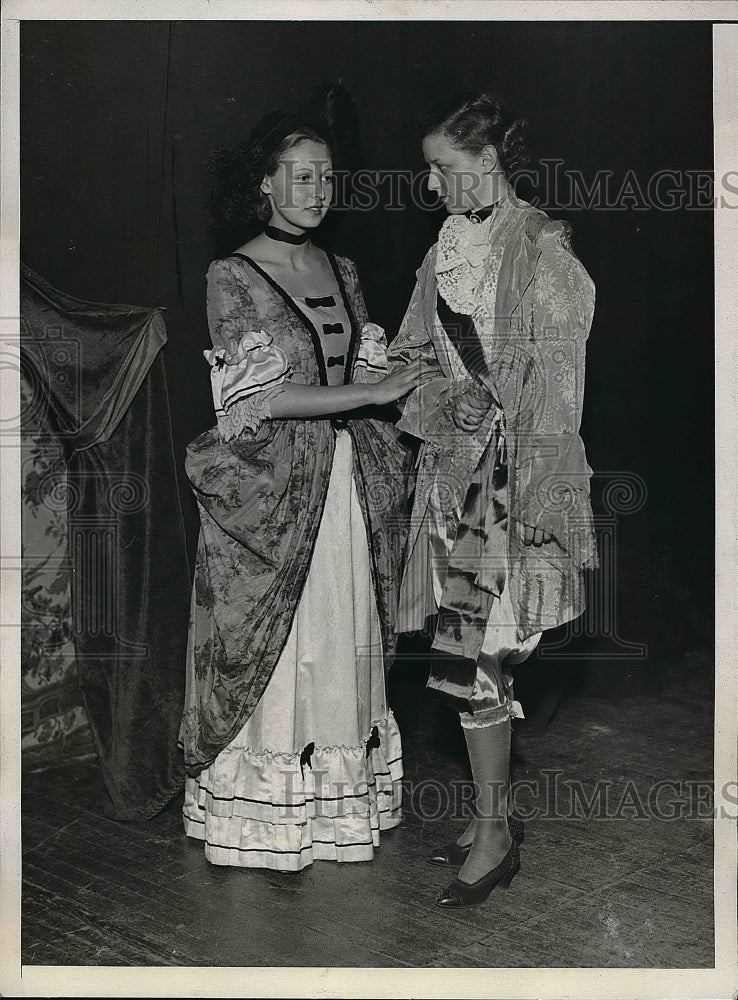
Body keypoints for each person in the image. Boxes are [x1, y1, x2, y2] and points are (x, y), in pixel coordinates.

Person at [179, 85, 430, 871]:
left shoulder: (342, 267)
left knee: (342, 632)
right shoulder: (232, 274)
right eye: (300, 176)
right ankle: (263, 823)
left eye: (326, 177)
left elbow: (360, 364)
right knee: (284, 645)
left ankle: (336, 813)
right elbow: (258, 397)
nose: (317, 191)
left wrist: (402, 371)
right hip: (275, 488)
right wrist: (369, 391)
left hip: (347, 480)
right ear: (264, 181)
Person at [387, 92, 597, 907]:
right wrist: (447, 402)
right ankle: (492, 816)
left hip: (512, 493)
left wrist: (529, 495)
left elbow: (561, 396)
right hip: (451, 484)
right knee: (473, 658)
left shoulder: (544, 252)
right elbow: (410, 357)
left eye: (441, 167)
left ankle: (499, 835)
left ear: (485, 162)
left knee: (480, 656)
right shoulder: (440, 252)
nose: (431, 182)